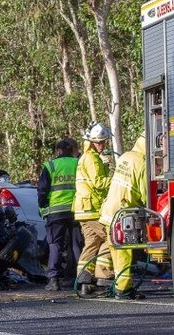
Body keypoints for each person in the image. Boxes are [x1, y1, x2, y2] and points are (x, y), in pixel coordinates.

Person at [99, 132, 148, 300]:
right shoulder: (142, 163)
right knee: (124, 252)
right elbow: (145, 193)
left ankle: (121, 285)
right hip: (123, 212)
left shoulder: (126, 156)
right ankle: (123, 289)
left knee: (116, 250)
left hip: (110, 210)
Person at [72, 123, 114, 293]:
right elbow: (98, 183)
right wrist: (115, 178)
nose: (103, 145)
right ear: (92, 142)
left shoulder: (88, 158)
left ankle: (84, 281)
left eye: (104, 142)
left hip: (84, 210)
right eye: (100, 142)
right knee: (112, 239)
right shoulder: (91, 158)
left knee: (92, 243)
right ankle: (103, 277)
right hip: (91, 209)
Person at [38, 139, 79, 291]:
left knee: (55, 245)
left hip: (56, 212)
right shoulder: (78, 163)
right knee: (75, 245)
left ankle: (54, 280)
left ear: (58, 151)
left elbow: (42, 190)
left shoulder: (51, 166)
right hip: (76, 210)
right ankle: (74, 278)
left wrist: (43, 206)